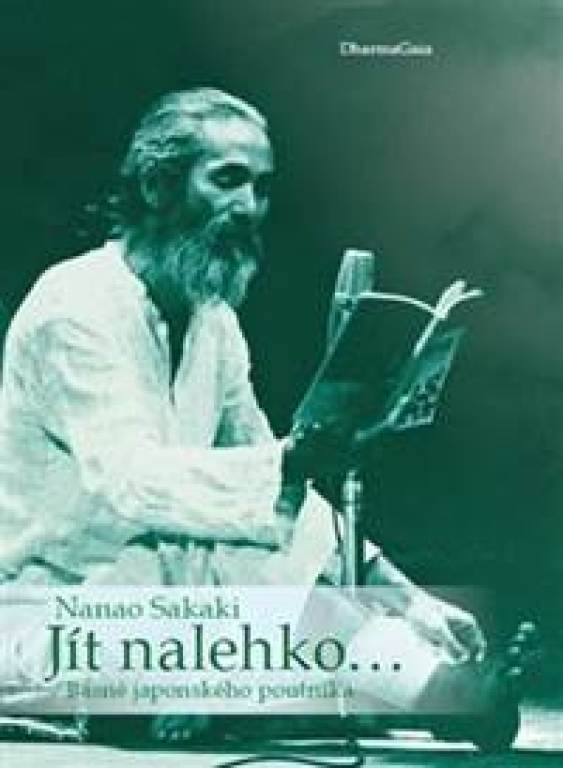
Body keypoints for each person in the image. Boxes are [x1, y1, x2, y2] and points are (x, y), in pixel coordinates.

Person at [0, 88, 534, 748]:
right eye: (227, 180)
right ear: (157, 185)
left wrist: (409, 598)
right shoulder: (73, 306)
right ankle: (400, 693)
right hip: (56, 603)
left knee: (267, 565)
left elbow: (275, 487)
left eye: (261, 187)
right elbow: (131, 481)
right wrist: (285, 463)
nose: (249, 206)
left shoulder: (212, 319)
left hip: (175, 585)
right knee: (197, 605)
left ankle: (447, 691)